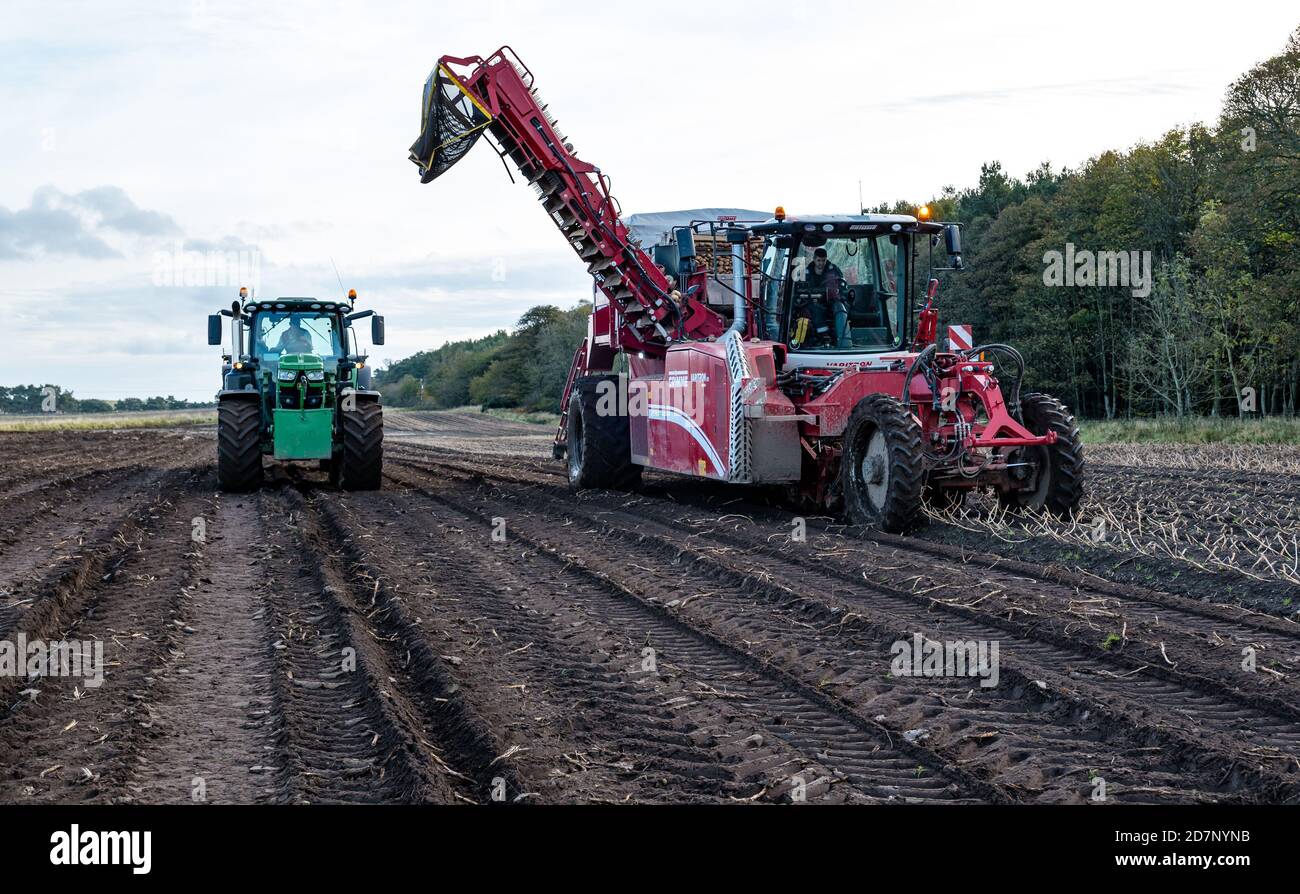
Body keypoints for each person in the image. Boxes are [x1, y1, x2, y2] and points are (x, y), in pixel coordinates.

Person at [794, 247, 852, 348]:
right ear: (814, 259)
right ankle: (824, 336)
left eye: (823, 260)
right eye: (819, 260)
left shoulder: (833, 270)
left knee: (840, 307)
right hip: (811, 302)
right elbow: (798, 288)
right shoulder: (805, 272)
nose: (821, 263)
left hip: (830, 301)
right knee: (814, 309)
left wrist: (837, 293)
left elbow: (842, 285)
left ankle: (844, 338)